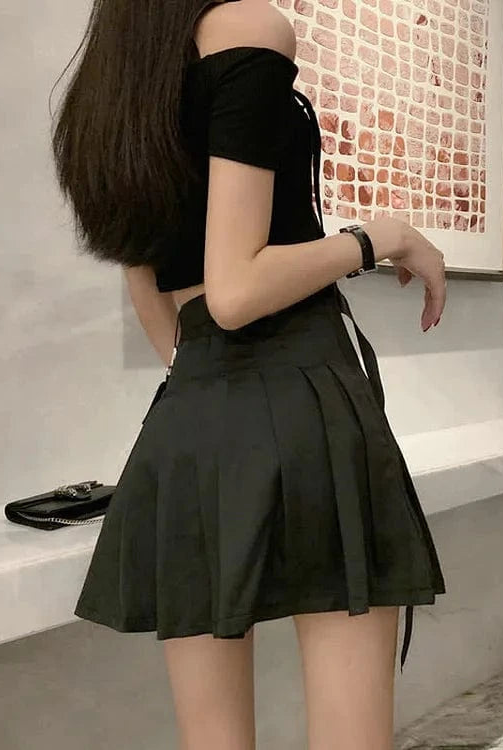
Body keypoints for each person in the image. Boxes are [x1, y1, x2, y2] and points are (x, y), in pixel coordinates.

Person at [51, 0, 447, 747]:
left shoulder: (121, 68)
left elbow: (146, 278)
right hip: (302, 392)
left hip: (190, 411)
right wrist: (382, 236)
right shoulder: (247, 27)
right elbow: (236, 291)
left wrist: (204, 378)